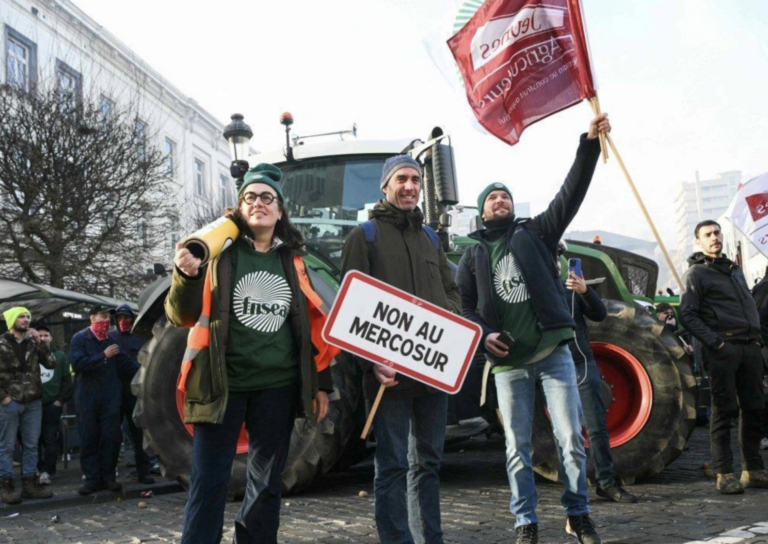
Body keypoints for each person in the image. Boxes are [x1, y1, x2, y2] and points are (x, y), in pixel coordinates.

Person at [456, 113, 610, 544]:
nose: (499, 200)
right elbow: (463, 308)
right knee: (517, 450)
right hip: (509, 366)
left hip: (552, 354)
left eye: (505, 196)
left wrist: (589, 145)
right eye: (492, 198)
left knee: (571, 441)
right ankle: (526, 522)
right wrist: (483, 336)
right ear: (481, 210)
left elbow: (571, 192)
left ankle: (577, 514)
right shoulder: (471, 256)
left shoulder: (537, 233)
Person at [168, 163, 334, 544]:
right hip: (222, 386)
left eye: (267, 197)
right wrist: (187, 275)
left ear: (279, 210)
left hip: (277, 388)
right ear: (240, 208)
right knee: (208, 483)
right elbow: (181, 314)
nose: (258, 203)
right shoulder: (217, 254)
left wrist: (321, 383)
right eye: (250, 197)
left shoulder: (294, 262)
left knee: (266, 485)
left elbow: (311, 325)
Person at [341, 155, 461, 544]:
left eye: (415, 180)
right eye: (401, 179)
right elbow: (351, 307)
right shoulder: (364, 236)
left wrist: (450, 329)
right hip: (387, 377)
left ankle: (431, 539)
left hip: (431, 373)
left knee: (428, 463)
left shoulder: (429, 237)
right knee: (392, 464)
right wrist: (371, 362)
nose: (410, 186)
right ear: (385, 186)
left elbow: (452, 290)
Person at [680, 220, 768, 494]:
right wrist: (716, 343)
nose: (714, 237)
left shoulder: (734, 270)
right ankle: (724, 473)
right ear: (699, 242)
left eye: (717, 232)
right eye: (707, 234)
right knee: (723, 410)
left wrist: (757, 340)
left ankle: (752, 469)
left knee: (753, 409)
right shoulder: (696, 273)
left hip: (749, 346)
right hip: (724, 349)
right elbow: (687, 314)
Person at [558, 246, 637, 503]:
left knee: (596, 427)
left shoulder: (570, 287)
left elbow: (599, 314)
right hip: (553, 366)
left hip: (581, 362)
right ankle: (574, 489)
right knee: (564, 432)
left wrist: (585, 290)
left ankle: (606, 481)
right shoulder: (534, 288)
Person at [70, 304, 139, 495]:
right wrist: (103, 356)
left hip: (110, 398)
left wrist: (148, 371)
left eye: (108, 317)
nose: (106, 321)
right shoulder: (80, 338)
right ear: (92, 318)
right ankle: (92, 479)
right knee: (89, 438)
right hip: (88, 398)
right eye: (102, 316)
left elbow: (128, 365)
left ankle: (109, 478)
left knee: (111, 438)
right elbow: (78, 364)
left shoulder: (111, 339)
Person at [0, 307, 55, 504]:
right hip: (9, 402)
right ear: (12, 320)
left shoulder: (33, 342)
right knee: (6, 446)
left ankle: (30, 484)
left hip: (33, 402)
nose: (26, 320)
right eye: (21, 317)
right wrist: (3, 398)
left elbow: (51, 364)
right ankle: (6, 486)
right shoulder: (1, 343)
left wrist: (41, 343)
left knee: (31, 445)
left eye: (27, 317)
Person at [108, 304, 154, 484]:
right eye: (119, 318)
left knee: (139, 433)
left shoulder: (140, 338)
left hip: (134, 392)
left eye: (126, 318)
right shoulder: (111, 337)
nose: (123, 322)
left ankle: (144, 471)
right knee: (112, 434)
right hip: (115, 390)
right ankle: (110, 474)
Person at [36, 325, 72, 485]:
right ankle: (37, 469)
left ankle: (49, 470)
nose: (43, 338)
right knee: (32, 441)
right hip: (32, 405)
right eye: (40, 335)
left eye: (46, 335)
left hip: (52, 405)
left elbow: (67, 380)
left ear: (51, 338)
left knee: (51, 438)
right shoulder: (30, 356)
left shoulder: (60, 356)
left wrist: (60, 401)